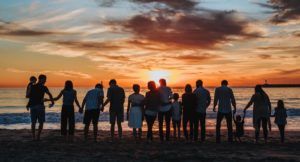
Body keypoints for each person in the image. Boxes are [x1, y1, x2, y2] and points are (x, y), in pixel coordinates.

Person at [28, 74, 54, 141]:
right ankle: (37, 137)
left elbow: (28, 96)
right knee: (40, 122)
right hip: (39, 106)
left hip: (33, 106)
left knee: (34, 122)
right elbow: (50, 94)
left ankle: (34, 137)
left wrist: (28, 105)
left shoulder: (33, 86)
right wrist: (52, 102)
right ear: (41, 79)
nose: (45, 81)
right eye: (44, 79)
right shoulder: (44, 87)